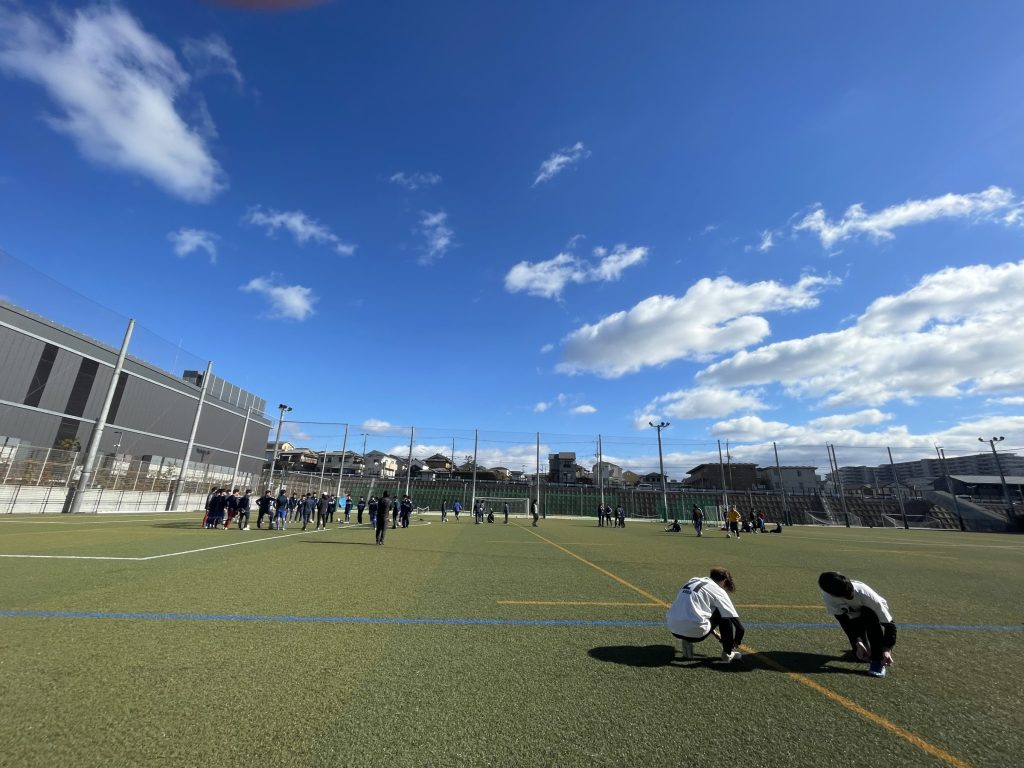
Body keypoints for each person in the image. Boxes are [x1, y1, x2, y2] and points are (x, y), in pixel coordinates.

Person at [818, 572, 897, 678]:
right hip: (854, 618)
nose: (850, 596)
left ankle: (877, 661)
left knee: (869, 614)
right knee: (861, 656)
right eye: (846, 596)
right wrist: (857, 642)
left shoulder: (868, 596)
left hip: (871, 616)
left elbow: (889, 625)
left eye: (850, 593)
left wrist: (887, 649)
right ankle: (865, 647)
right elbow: (843, 620)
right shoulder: (828, 597)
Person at [665, 567, 745, 662]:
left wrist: (713, 631)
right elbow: (740, 628)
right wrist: (736, 642)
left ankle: (686, 640)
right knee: (724, 612)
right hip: (695, 633)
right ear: (724, 581)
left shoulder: (693, 580)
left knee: (693, 610)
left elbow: (694, 610)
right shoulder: (719, 591)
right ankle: (727, 654)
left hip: (673, 628)